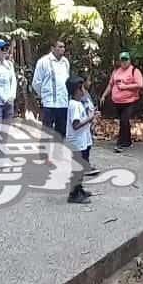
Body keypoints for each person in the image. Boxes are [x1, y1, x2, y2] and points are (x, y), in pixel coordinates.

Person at [101, 52, 143, 152]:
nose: (124, 62)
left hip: (130, 101)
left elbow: (140, 84)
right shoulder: (116, 71)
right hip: (117, 101)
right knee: (123, 121)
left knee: (124, 120)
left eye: (126, 60)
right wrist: (104, 95)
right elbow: (110, 85)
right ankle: (127, 141)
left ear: (129, 60)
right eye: (122, 60)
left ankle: (119, 143)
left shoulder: (134, 71)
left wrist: (125, 87)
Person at [65, 75, 95, 204]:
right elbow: (76, 125)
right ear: (76, 90)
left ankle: (79, 189)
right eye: (81, 88)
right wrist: (91, 118)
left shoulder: (79, 103)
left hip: (83, 140)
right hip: (76, 142)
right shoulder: (74, 105)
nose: (83, 90)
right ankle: (73, 194)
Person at [32, 40, 71, 137]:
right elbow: (36, 83)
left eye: (63, 47)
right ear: (52, 48)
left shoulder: (65, 62)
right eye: (60, 47)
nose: (62, 49)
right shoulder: (43, 62)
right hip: (49, 104)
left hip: (63, 103)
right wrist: (44, 96)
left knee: (61, 132)